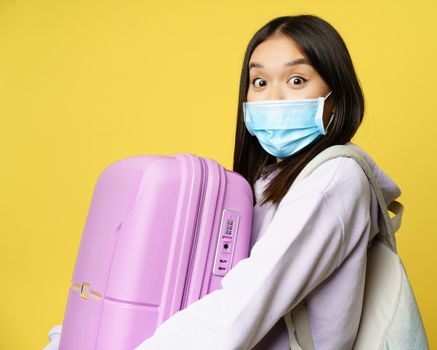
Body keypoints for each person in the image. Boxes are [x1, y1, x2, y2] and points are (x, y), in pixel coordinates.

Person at [44, 14, 401, 350]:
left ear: (335, 98)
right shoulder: (265, 182)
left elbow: (245, 304)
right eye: (259, 82)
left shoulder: (334, 179)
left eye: (296, 81)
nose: (273, 98)